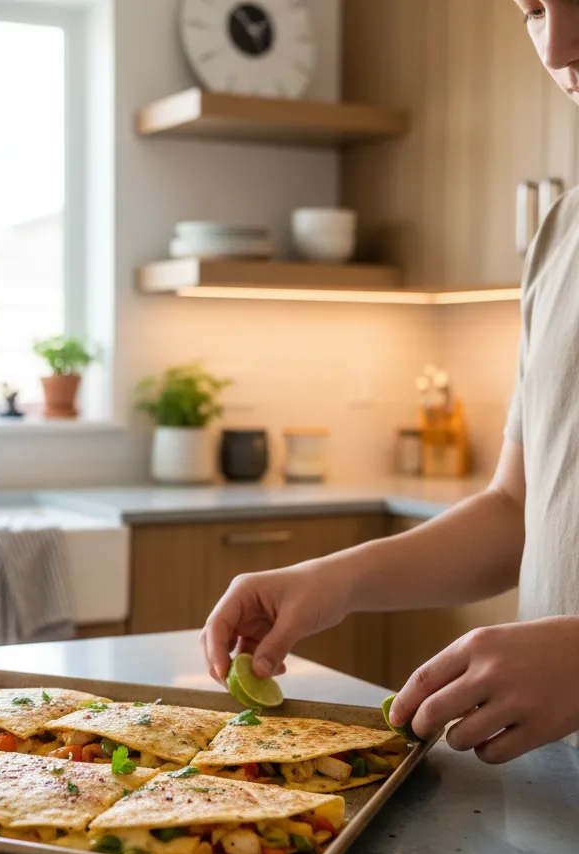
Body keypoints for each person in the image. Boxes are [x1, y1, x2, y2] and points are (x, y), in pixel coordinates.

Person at [200, 0, 579, 765]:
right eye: (534, 8)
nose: (559, 43)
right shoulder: (561, 234)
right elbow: (518, 509)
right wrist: (328, 579)